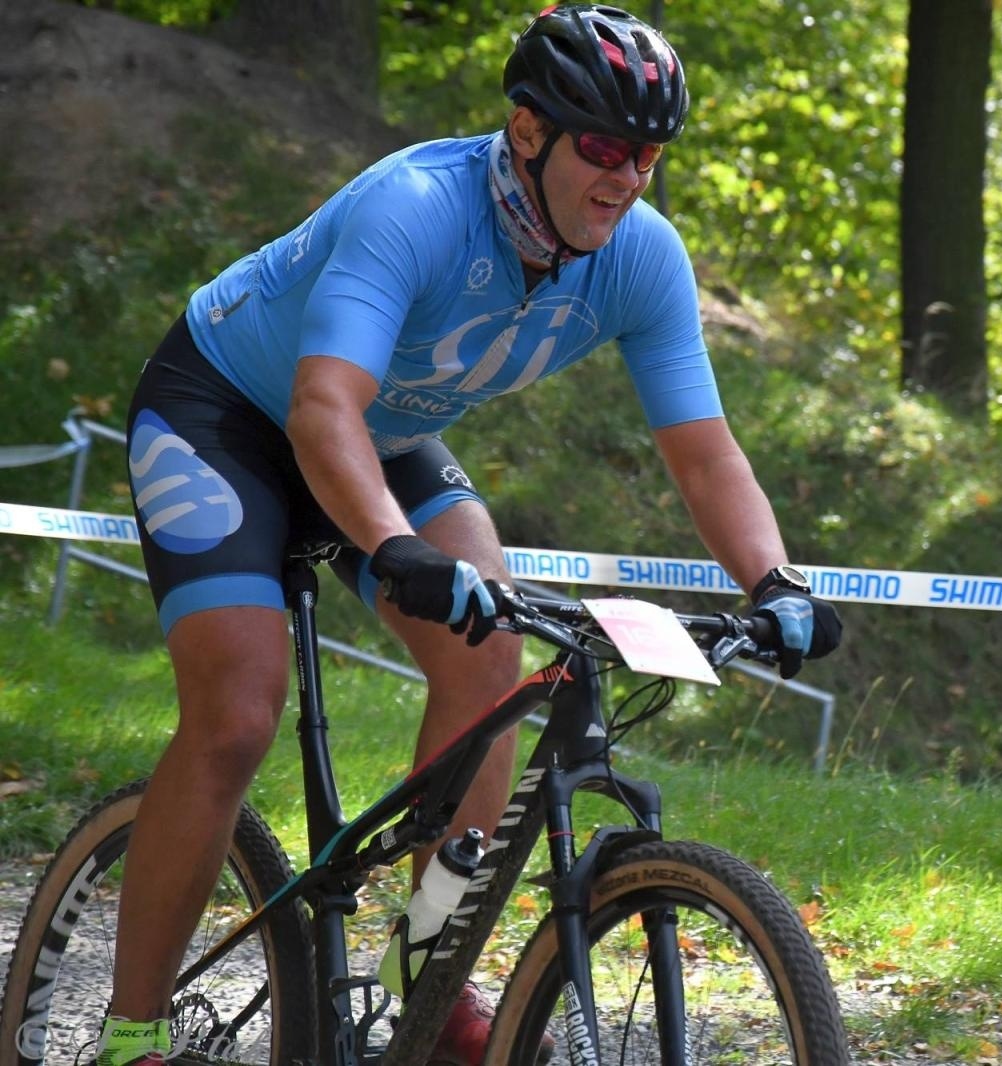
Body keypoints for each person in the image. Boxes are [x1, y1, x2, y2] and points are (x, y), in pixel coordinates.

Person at [101, 5, 843, 1064]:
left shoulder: (640, 257)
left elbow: (705, 453)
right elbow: (319, 411)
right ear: (528, 131)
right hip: (229, 414)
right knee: (236, 712)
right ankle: (130, 1033)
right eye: (603, 145)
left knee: (493, 659)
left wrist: (776, 581)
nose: (627, 175)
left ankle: (426, 968)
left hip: (383, 434)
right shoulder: (416, 206)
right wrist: (394, 546)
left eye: (647, 153)